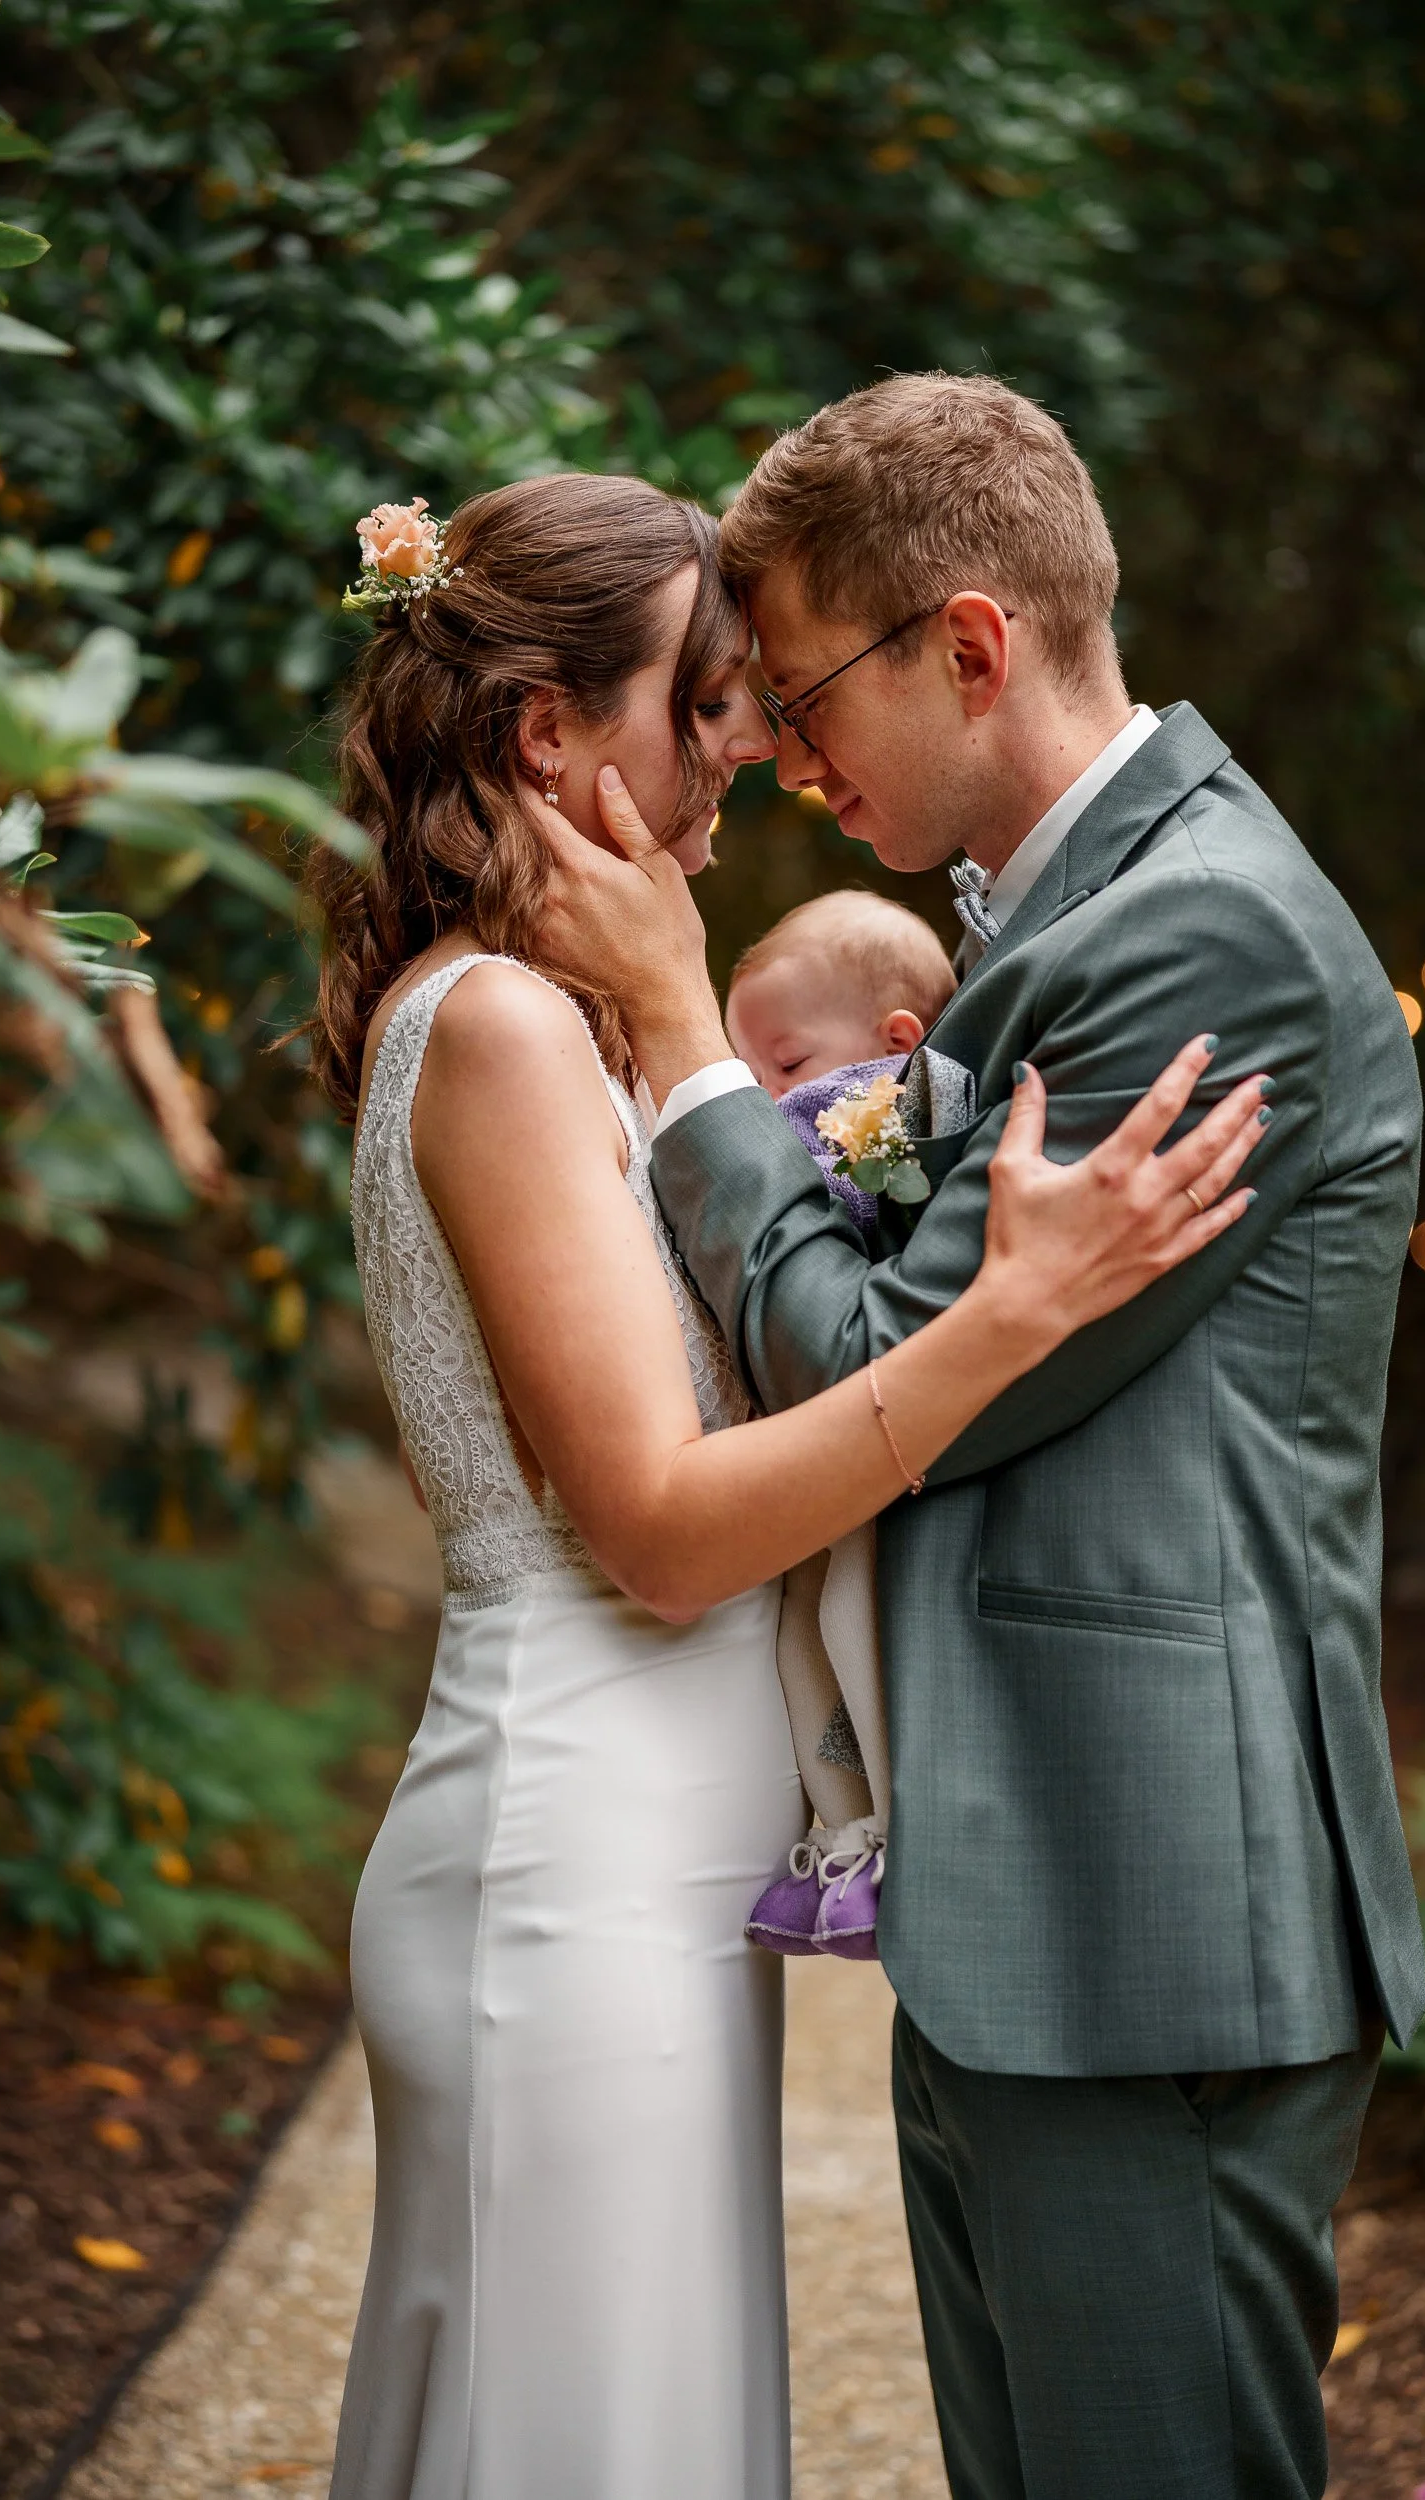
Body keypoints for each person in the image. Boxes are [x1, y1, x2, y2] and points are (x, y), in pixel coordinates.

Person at [306, 468, 1266, 2500]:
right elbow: (657, 1529)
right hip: (563, 1875)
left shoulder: (554, 1027)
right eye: (702, 697)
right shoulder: (488, 1026)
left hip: (631, 1878)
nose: (743, 739)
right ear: (544, 732)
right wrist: (1000, 1316)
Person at [533, 375, 1425, 2500]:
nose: (769, 743)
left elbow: (886, 1372)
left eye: (798, 682)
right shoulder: (1056, 914)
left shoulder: (1190, 930)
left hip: (1151, 1929)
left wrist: (678, 1034)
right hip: (1026, 1901)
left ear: (964, 643)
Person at [728, 894, 957, 1956]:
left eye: (781, 1062)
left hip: (870, 1437)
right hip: (814, 1444)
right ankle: (840, 1831)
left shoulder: (880, 1114)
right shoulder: (834, 1113)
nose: (766, 1095)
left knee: (847, 1615)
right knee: (799, 1625)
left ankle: (897, 1836)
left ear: (892, 1043)